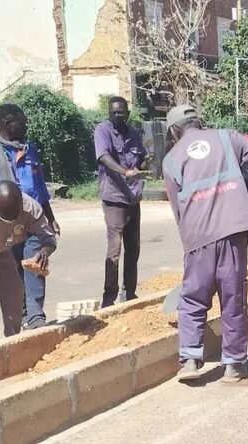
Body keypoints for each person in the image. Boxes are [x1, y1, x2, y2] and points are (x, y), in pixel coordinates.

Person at [161, 105, 248, 384]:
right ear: (198, 122)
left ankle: (191, 360)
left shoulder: (171, 159)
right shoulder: (225, 137)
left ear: (174, 130)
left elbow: (176, 208)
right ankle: (233, 365)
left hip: (198, 235)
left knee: (193, 296)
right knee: (233, 296)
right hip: (233, 229)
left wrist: (190, 236)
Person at [0, 104, 59, 330]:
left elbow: (40, 187)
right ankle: (23, 316)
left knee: (33, 264)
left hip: (29, 217)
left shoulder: (30, 149)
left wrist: (50, 217)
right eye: (22, 123)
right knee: (14, 272)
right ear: (7, 125)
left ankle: (35, 318)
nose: (26, 126)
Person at [94, 96, 149, 308]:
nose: (118, 115)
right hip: (114, 198)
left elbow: (141, 160)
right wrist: (126, 172)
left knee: (133, 248)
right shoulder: (103, 130)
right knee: (114, 250)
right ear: (109, 113)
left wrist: (146, 161)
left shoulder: (133, 133)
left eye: (121, 112)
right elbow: (104, 158)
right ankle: (109, 298)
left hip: (133, 199)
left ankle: (130, 294)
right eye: (114, 112)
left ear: (127, 113)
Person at [0, 181, 56, 338]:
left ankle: (12, 342)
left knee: (14, 293)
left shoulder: (30, 208)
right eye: (4, 216)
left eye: (14, 216)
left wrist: (45, 251)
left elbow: (49, 239)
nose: (9, 221)